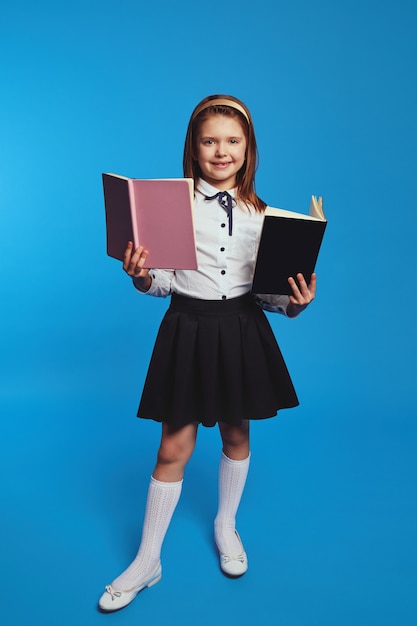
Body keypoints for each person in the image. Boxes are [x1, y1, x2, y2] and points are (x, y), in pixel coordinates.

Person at [98, 95, 316, 612]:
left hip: (242, 327)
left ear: (248, 149)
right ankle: (147, 559)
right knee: (173, 446)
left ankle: (225, 524)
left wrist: (296, 305)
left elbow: (268, 296)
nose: (221, 151)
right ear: (193, 149)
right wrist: (141, 275)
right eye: (210, 141)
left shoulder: (267, 217)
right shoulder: (169, 206)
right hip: (188, 328)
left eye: (232, 141)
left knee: (238, 433)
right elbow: (162, 284)